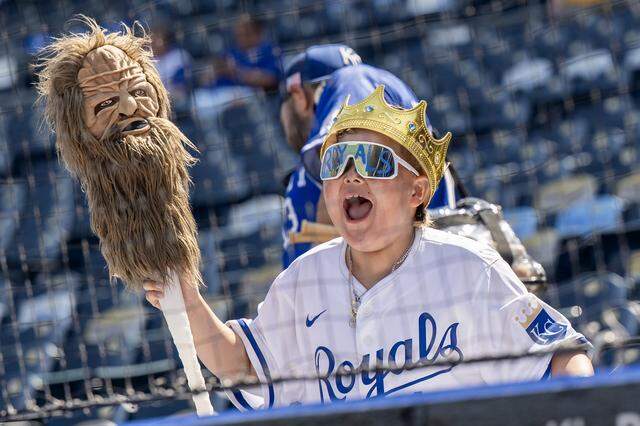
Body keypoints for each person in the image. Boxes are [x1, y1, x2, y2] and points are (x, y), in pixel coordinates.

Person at [144, 85, 593, 409]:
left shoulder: (468, 267)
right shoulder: (304, 278)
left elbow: (562, 356)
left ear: (416, 192)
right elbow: (243, 366)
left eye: (374, 161)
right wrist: (186, 300)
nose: (351, 175)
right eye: (336, 162)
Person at [279, 44, 457, 268]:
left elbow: (346, 174)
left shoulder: (352, 80)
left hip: (378, 287)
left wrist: (323, 292)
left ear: (298, 95)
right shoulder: (318, 147)